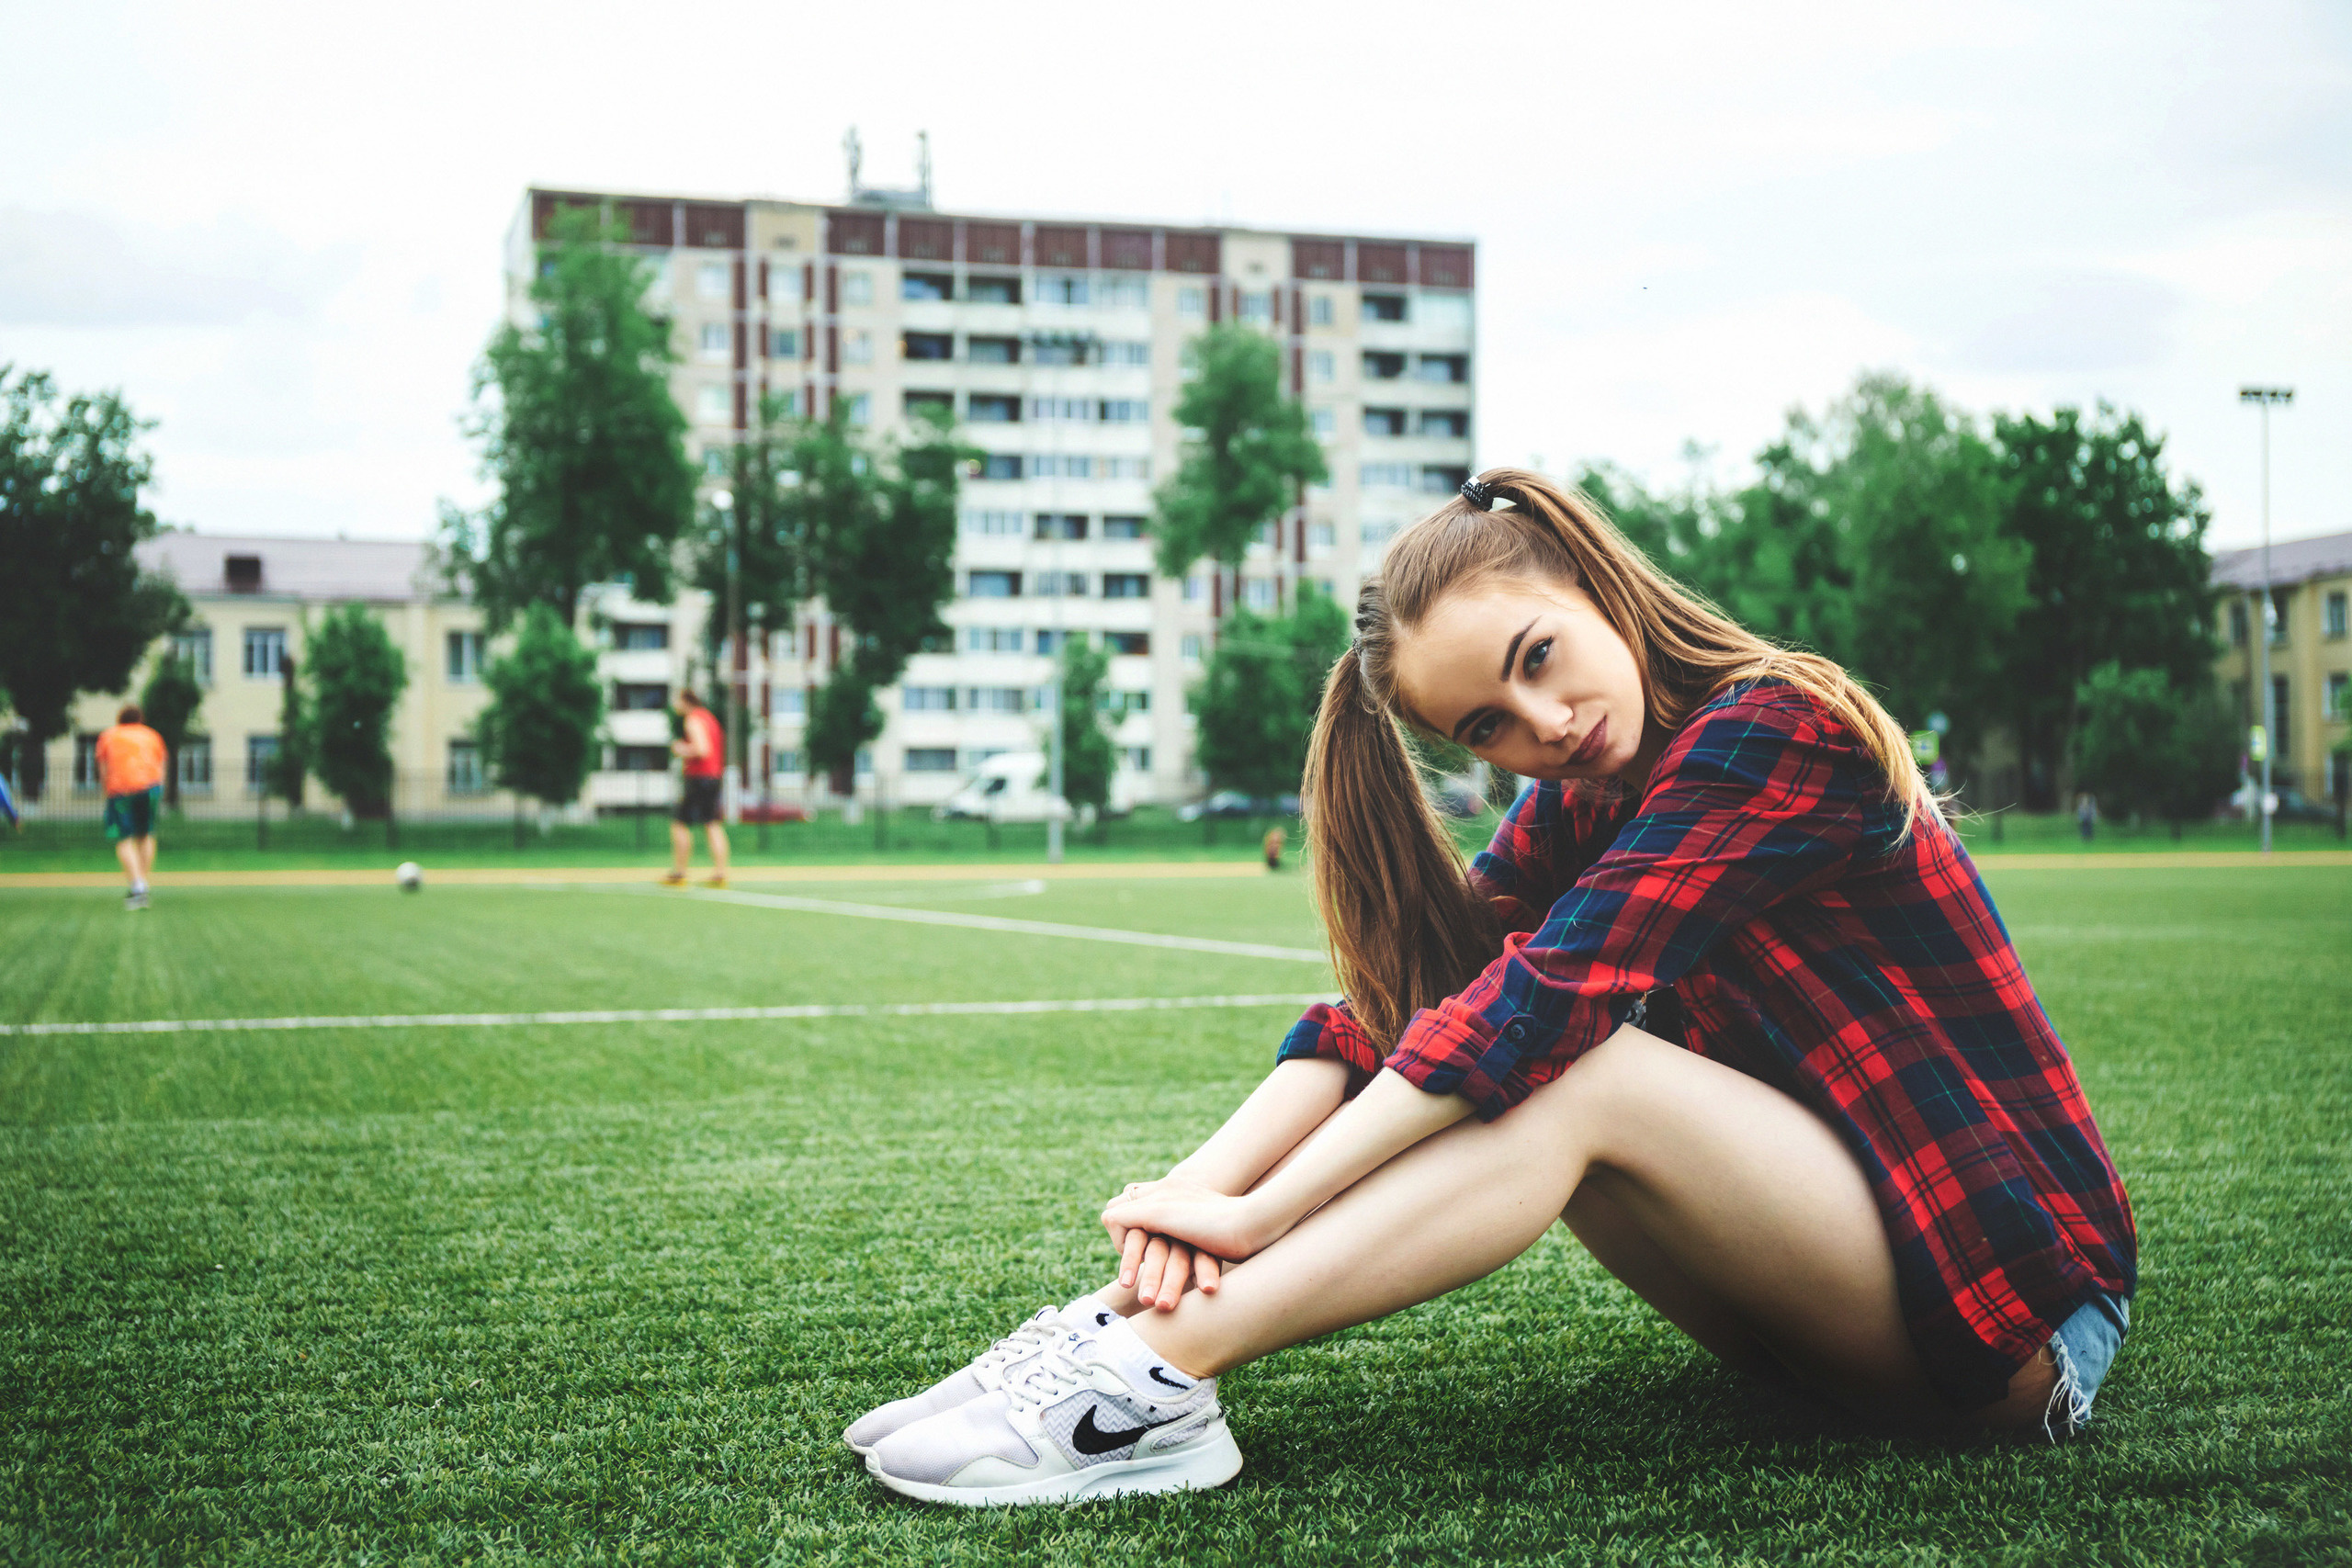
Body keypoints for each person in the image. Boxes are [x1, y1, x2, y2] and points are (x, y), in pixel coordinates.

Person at [846, 469, 2137, 1507]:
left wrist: (1259, 1217)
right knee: (1484, 1028)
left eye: (1539, 656)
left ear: (1593, 582)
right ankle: (1108, 1334)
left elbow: (1541, 1007)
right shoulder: (1586, 801)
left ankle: (1158, 1375)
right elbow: (1397, 1014)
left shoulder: (1775, 728)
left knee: (1573, 1061)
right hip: (1834, 1324)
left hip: (2017, 1318)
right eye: (1489, 728)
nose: (1545, 723)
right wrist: (1193, 1205)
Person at [96, 704, 168, 909]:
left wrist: (106, 790)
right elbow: (161, 765)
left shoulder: (109, 736)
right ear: (140, 719)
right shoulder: (152, 736)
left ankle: (137, 886)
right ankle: (142, 883)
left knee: (124, 837)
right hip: (150, 788)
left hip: (121, 790)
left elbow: (103, 767)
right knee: (146, 834)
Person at [662, 687, 729, 887]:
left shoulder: (692, 719)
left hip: (699, 778)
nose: (674, 704)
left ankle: (680, 871)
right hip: (713, 777)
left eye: (677, 700)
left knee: (679, 823)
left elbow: (702, 749)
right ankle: (720, 872)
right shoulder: (709, 718)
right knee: (712, 823)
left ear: (686, 701)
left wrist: (681, 748)